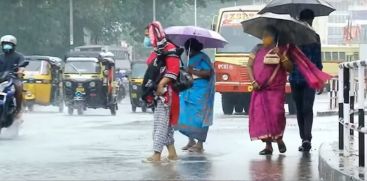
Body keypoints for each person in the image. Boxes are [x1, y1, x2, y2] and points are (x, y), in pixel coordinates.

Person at [247, 26, 293, 155]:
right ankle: (268, 146)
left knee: (276, 114)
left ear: (274, 37)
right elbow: (249, 66)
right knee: (261, 117)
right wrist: (253, 81)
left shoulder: (282, 50)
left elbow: (290, 68)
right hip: (259, 89)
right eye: (263, 35)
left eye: (267, 35)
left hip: (275, 89)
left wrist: (281, 56)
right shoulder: (257, 48)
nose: (264, 38)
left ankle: (279, 139)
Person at [143, 21, 180, 162]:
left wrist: (161, 85)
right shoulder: (158, 51)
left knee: (160, 124)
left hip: (166, 93)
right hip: (158, 93)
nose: (147, 39)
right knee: (167, 125)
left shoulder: (169, 49)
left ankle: (156, 154)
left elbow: (173, 70)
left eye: (148, 35)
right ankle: (172, 153)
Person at [289, 9, 323, 152]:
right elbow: (318, 61)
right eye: (308, 20)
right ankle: (304, 138)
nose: (309, 23)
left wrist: (320, 79)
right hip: (298, 78)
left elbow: (318, 61)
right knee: (302, 109)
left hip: (305, 79)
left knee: (305, 109)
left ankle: (307, 138)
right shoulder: (292, 38)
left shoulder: (315, 37)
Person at [177, 38, 215, 153]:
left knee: (200, 118)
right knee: (187, 116)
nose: (188, 52)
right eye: (186, 49)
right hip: (188, 90)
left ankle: (200, 144)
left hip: (201, 92)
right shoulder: (185, 57)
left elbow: (208, 73)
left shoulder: (203, 58)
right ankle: (191, 140)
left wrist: (193, 71)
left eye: (190, 49)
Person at [0, 35, 26, 117]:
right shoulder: (0, 57)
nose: (6, 46)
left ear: (13, 46)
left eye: (9, 44)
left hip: (13, 78)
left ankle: (18, 109)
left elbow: (22, 66)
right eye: (4, 44)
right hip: (1, 78)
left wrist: (20, 71)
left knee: (18, 87)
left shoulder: (19, 56)